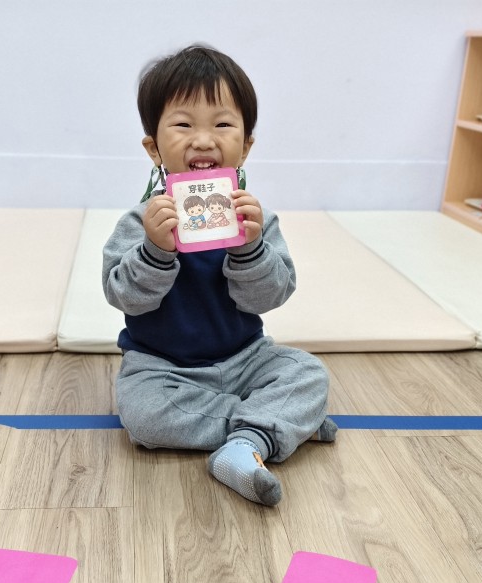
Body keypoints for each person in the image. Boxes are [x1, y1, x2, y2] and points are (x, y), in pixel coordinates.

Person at [102, 44, 335, 506]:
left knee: (308, 373)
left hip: (246, 359)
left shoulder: (256, 221)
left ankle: (252, 437)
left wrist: (250, 247)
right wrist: (155, 250)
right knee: (145, 416)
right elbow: (122, 296)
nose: (204, 140)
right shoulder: (140, 222)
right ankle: (270, 427)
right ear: (154, 149)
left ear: (245, 147)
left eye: (223, 125)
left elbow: (271, 296)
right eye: (184, 125)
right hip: (162, 367)